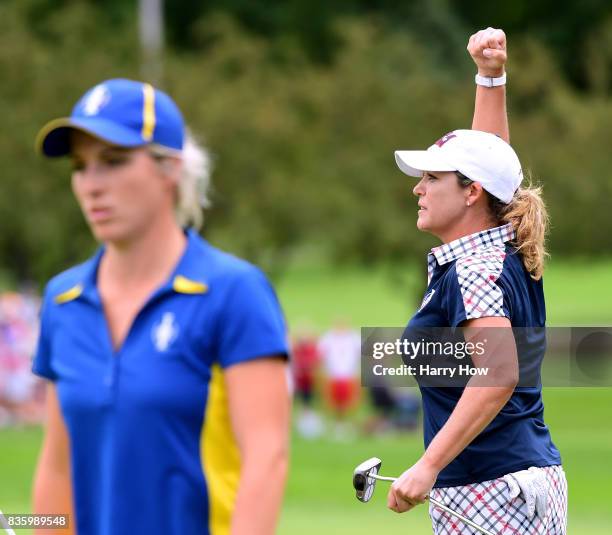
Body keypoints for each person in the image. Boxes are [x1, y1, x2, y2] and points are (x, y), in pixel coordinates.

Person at [31, 79, 290, 535]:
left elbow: (266, 458)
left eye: (112, 162)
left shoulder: (233, 292)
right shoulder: (62, 301)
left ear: (170, 169)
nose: (91, 185)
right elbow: (57, 469)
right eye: (79, 166)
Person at [386, 29, 567, 534]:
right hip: (518, 481)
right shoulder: (497, 245)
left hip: (491, 490)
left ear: (470, 194)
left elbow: (497, 374)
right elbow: (494, 163)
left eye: (432, 179)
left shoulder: (475, 269)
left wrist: (428, 464)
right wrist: (491, 79)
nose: (417, 189)